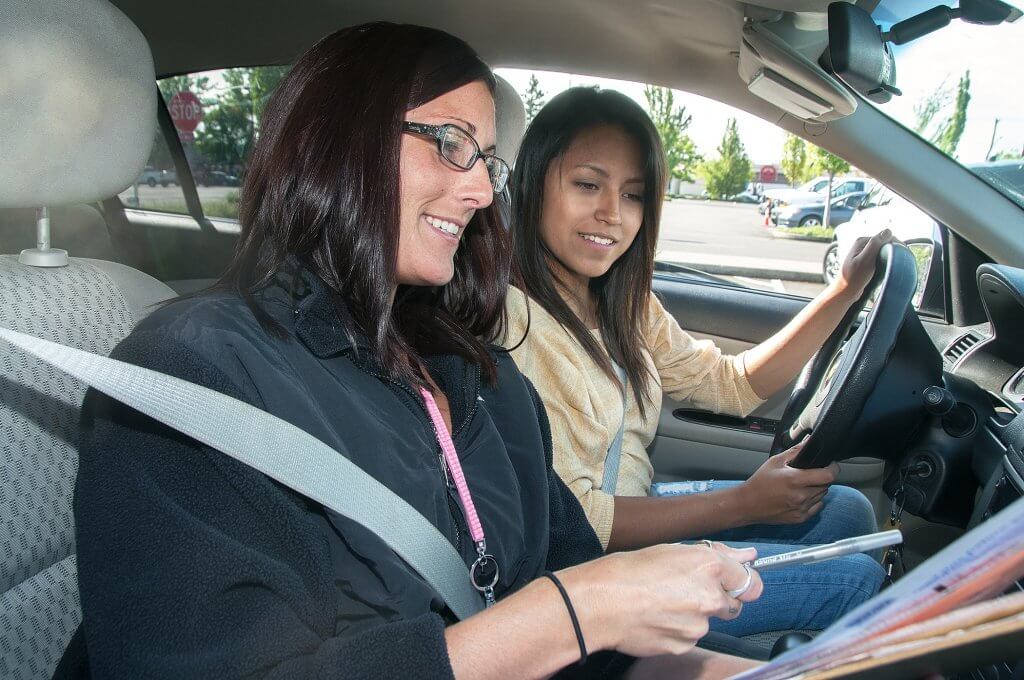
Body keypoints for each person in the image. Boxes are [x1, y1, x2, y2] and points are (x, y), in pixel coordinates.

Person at [62, 23, 768, 680]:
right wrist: (574, 613)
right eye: (452, 143)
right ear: (341, 139)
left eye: (489, 160)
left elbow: (594, 635)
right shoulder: (192, 376)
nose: (483, 188)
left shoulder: (482, 374)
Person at [503, 86, 889, 637]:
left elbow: (730, 385)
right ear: (533, 181)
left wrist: (844, 291)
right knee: (856, 583)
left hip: (631, 507)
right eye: (587, 185)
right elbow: (577, 520)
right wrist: (742, 504)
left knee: (846, 508)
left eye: (634, 195)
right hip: (585, 571)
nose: (612, 214)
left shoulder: (621, 300)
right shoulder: (518, 324)